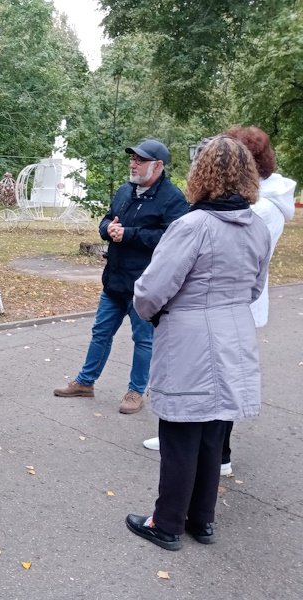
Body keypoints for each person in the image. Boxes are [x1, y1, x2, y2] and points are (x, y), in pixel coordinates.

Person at [126, 136, 271, 550]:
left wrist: (154, 313)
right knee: (212, 432)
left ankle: (167, 523)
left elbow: (151, 290)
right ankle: (201, 521)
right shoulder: (255, 225)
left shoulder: (193, 226)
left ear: (201, 174)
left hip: (190, 340)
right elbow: (255, 289)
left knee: (179, 435)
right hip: (234, 337)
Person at [142, 128, 297, 476]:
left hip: (222, 306)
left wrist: (159, 309)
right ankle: (204, 488)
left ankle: (206, 469)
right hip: (228, 305)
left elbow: (237, 263)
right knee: (213, 386)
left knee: (213, 389)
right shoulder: (244, 215)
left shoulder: (246, 217)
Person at [53, 140, 188, 413]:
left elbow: (172, 239)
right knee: (100, 333)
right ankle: (85, 383)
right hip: (114, 280)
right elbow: (106, 220)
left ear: (158, 165)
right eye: (133, 158)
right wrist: (108, 229)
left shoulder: (173, 198)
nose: (133, 163)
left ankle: (136, 392)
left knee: (143, 341)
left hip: (146, 286)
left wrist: (129, 234)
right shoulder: (125, 191)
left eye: (140, 160)